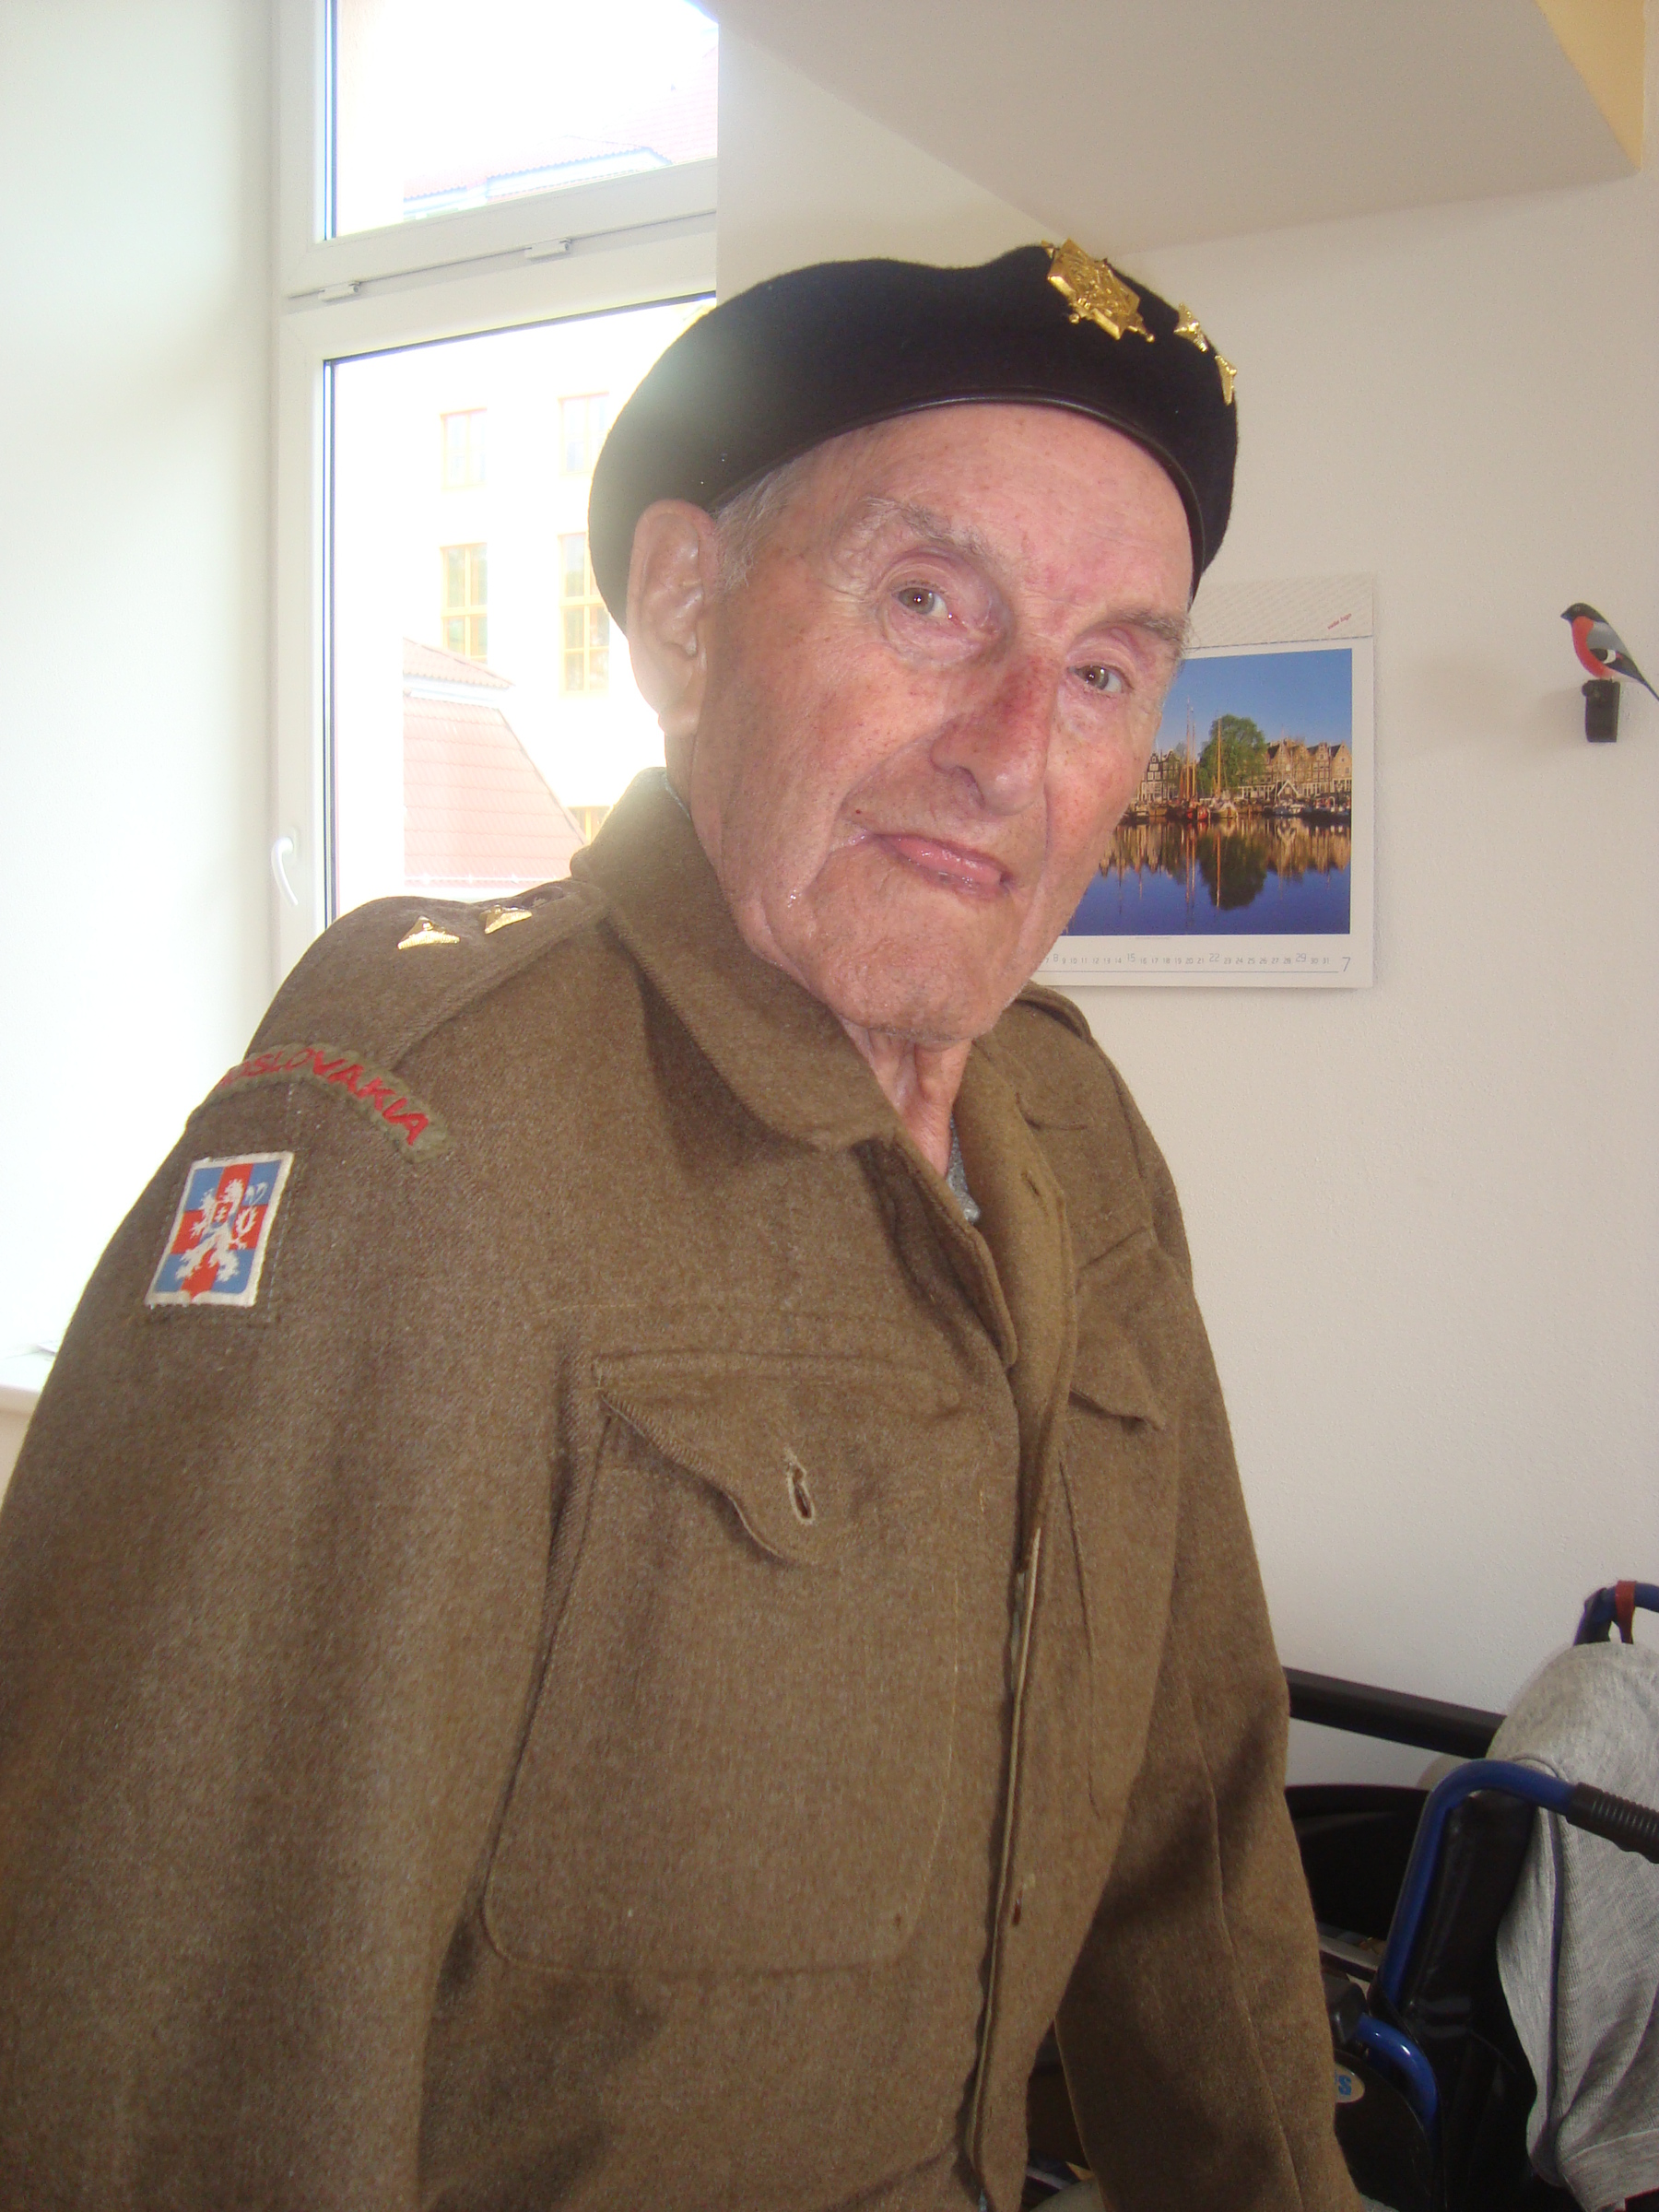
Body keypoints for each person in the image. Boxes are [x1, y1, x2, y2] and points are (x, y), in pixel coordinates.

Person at [0, 243, 1358, 2212]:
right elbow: (169, 2048)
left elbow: (1197, 1838)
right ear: (685, 610)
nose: (1011, 752)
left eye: (1103, 671)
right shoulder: (423, 1139)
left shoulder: (1078, 1136)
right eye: (928, 600)